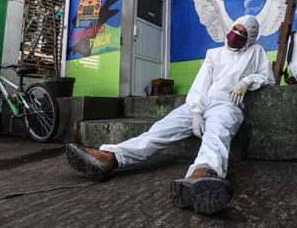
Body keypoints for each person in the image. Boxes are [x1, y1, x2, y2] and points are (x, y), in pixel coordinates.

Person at [65, 15, 275, 214]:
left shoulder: (255, 52)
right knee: (160, 130)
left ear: (250, 39)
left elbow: (268, 78)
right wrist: (196, 111)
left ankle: (204, 174)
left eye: (242, 33)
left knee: (217, 133)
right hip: (201, 103)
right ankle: (111, 157)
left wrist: (247, 81)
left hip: (228, 105)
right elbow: (201, 84)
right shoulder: (214, 53)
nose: (236, 33)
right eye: (235, 28)